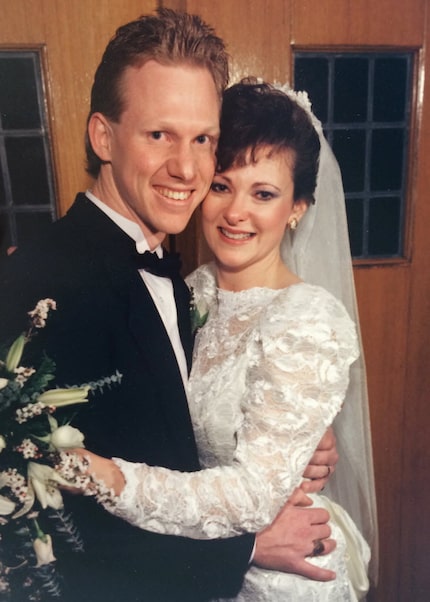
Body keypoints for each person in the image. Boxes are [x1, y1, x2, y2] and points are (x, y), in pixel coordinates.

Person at [0, 10, 339, 602]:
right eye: (160, 134)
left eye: (203, 138)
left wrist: (293, 436)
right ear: (102, 136)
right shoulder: (42, 284)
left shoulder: (184, 279)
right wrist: (251, 548)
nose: (187, 168)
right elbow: (51, 514)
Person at [63, 80, 377, 601]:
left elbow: (255, 495)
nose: (236, 213)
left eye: (264, 194)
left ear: (297, 207)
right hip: (186, 561)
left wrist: (107, 477)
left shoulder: (307, 319)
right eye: (222, 186)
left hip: (281, 570)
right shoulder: (189, 289)